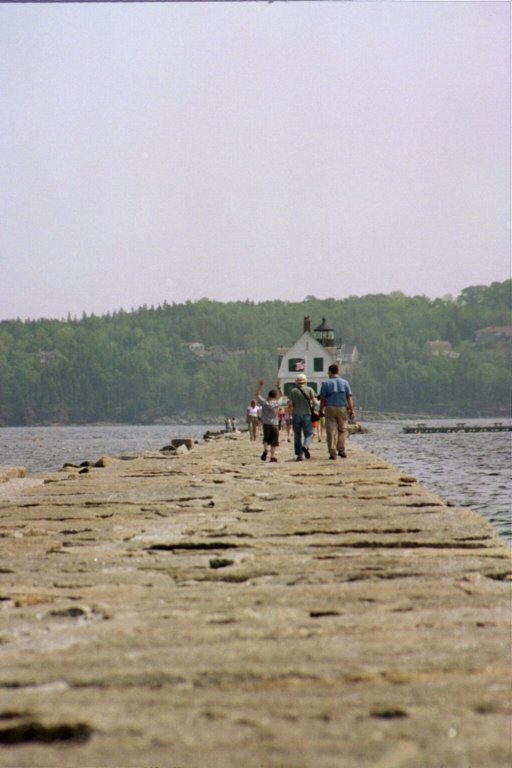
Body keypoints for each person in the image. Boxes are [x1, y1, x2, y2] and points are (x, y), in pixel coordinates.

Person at [319, 364, 355, 460]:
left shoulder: (326, 383)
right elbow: (349, 397)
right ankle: (341, 449)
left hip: (330, 408)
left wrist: (321, 410)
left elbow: (322, 399)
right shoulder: (345, 382)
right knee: (343, 430)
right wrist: (352, 410)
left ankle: (332, 452)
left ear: (330, 372)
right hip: (342, 408)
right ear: (338, 371)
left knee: (331, 431)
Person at [288, 373, 317, 461]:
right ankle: (305, 445)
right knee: (308, 434)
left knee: (297, 435)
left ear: (297, 382)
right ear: (305, 381)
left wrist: (290, 415)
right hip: (307, 414)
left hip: (296, 414)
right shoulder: (310, 390)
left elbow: (290, 404)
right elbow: (315, 402)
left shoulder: (293, 391)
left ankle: (299, 455)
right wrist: (312, 408)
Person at [255, 378, 284, 462]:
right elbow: (282, 396)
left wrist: (260, 386)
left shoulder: (265, 402)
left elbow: (257, 395)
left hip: (266, 424)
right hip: (274, 424)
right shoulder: (277, 403)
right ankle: (272, 457)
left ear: (268, 395)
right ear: (275, 396)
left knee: (266, 438)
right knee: (274, 441)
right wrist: (279, 387)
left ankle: (265, 450)